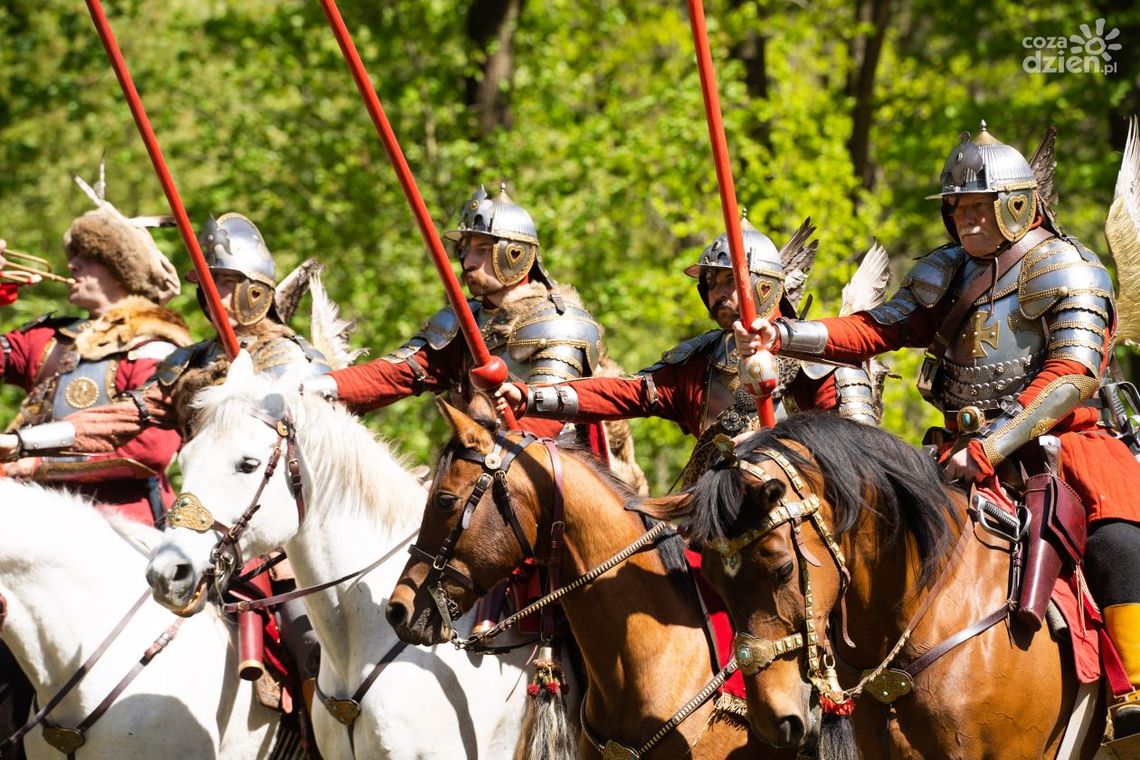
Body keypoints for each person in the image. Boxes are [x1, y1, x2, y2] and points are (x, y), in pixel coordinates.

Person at [736, 121, 1140, 737]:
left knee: (1116, 541)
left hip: (1061, 448)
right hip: (954, 452)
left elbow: (1071, 375)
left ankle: (1132, 692)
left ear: (1017, 204)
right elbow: (875, 329)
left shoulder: (1070, 270)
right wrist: (785, 333)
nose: (967, 219)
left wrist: (993, 445)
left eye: (981, 206)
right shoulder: (946, 270)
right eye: (958, 208)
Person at [496, 214, 881, 485]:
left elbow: (855, 454)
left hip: (799, 522)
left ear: (765, 286)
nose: (718, 294)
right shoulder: (700, 361)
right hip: (711, 514)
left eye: (730, 280)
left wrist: (776, 444)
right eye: (711, 284)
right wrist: (532, 397)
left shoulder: (822, 355)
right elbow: (627, 393)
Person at [301, 184, 605, 440]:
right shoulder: (462, 323)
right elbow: (397, 375)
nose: (468, 262)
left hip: (553, 481)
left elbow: (545, 420)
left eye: (482, 249)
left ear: (515, 254)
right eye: (465, 250)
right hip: (477, 466)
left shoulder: (558, 324)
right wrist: (321, 386)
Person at [0, 177, 189, 525]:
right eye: (74, 256)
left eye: (88, 258)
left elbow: (150, 452)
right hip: (33, 514)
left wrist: (35, 465)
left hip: (122, 525)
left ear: (121, 270)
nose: (72, 265)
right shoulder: (46, 338)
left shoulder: (155, 347)